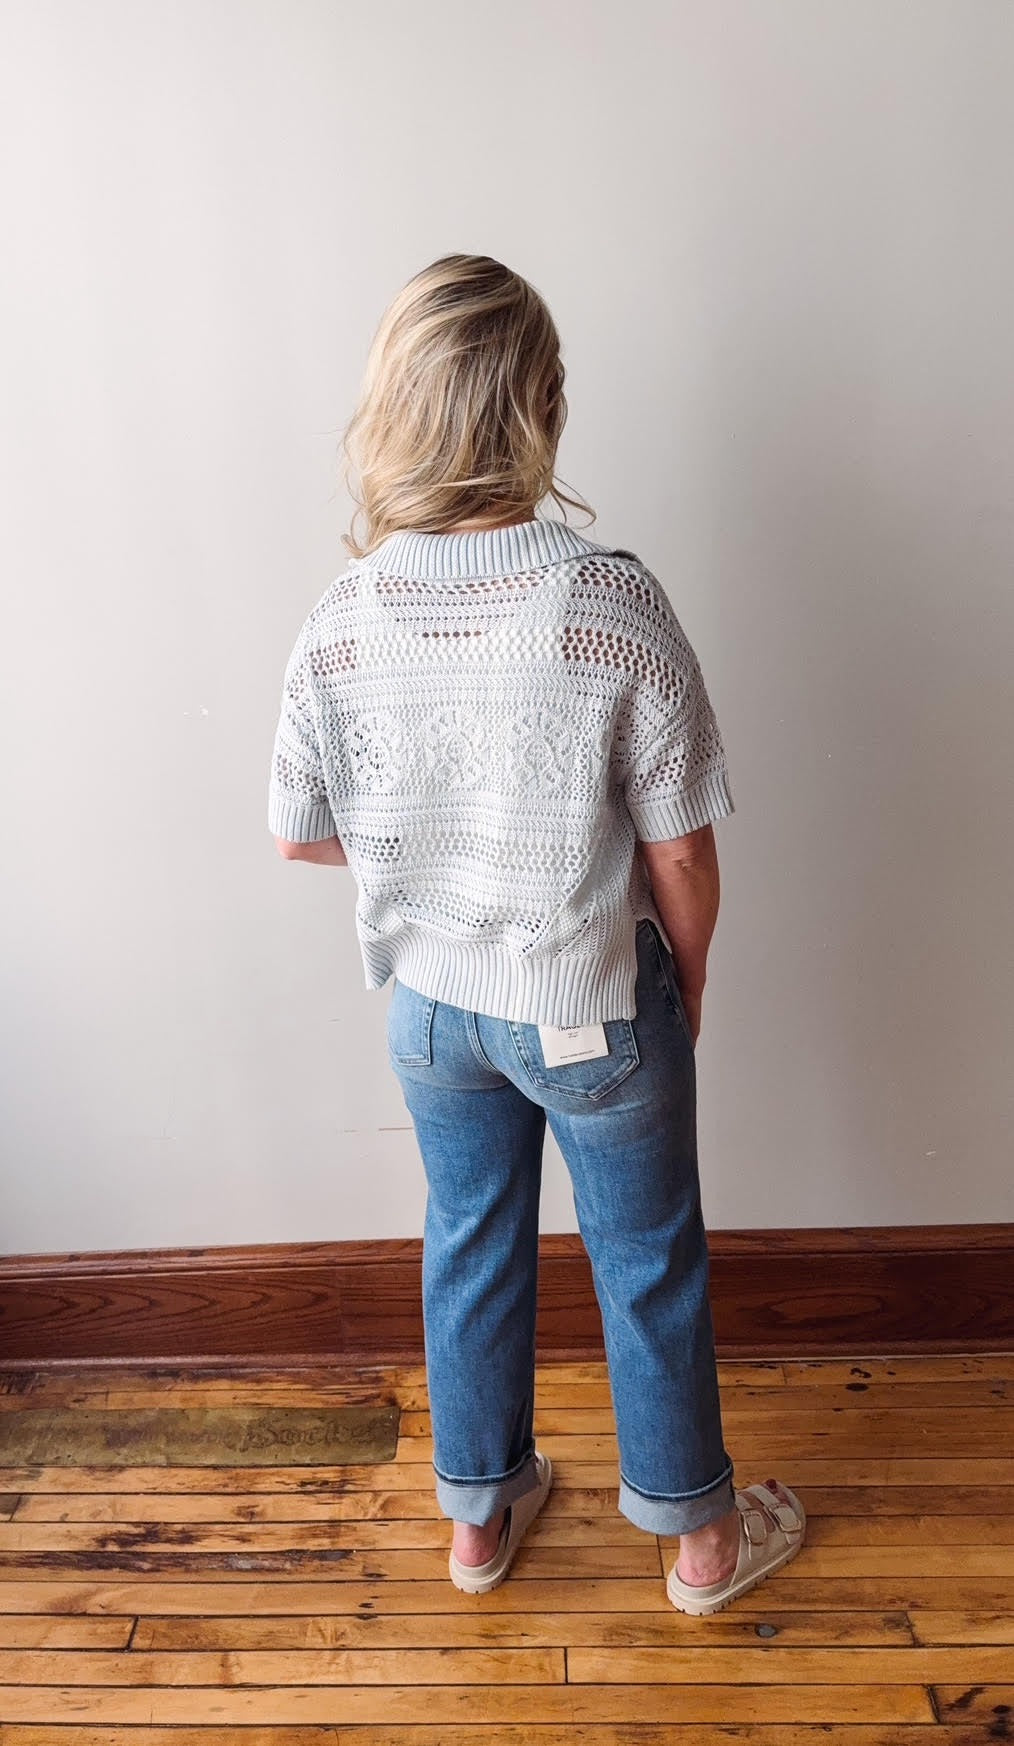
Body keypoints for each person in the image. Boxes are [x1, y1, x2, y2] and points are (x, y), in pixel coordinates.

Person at [268, 253, 806, 1616]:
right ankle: (699, 1546)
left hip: (430, 1015)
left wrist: (434, 868)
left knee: (468, 1239)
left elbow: (298, 831)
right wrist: (690, 970)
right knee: (645, 1258)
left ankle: (479, 1516)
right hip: (590, 1001)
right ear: (540, 406)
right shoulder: (607, 600)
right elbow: (680, 849)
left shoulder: (342, 618)